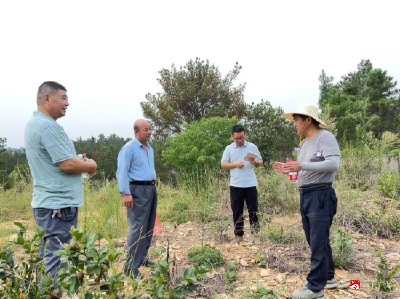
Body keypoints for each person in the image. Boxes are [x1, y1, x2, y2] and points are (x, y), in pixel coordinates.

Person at [24, 81, 97, 281]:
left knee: (48, 260)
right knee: (57, 264)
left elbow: (60, 161)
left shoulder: (36, 124)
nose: (68, 103)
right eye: (63, 98)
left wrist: (76, 160)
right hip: (58, 207)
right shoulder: (47, 127)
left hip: (49, 206)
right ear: (47, 98)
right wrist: (91, 166)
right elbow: (67, 165)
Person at [273, 105, 340, 299]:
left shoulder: (325, 137)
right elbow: (306, 169)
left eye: (296, 120)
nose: (294, 124)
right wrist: (292, 170)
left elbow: (333, 164)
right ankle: (328, 278)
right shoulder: (305, 143)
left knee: (318, 242)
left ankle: (314, 288)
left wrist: (301, 165)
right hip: (306, 195)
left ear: (308, 120)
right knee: (316, 239)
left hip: (320, 195)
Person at [116, 119, 157, 279]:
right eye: (146, 129)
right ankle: (130, 267)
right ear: (136, 132)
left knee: (148, 226)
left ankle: (143, 258)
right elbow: (122, 172)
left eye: (150, 129)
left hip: (151, 188)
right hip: (137, 190)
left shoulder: (149, 148)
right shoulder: (129, 149)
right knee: (137, 228)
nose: (149, 132)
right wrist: (126, 193)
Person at [221, 125, 263, 243]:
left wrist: (255, 162)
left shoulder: (252, 147)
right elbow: (223, 164)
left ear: (245, 135)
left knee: (253, 210)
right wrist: (235, 165)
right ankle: (239, 236)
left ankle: (256, 235)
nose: (240, 140)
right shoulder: (228, 149)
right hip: (236, 185)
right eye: (237, 138)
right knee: (237, 211)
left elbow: (261, 161)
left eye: (242, 138)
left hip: (250, 184)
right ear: (232, 137)